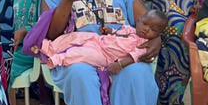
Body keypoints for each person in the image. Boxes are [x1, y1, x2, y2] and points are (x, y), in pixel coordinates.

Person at [8, 0, 54, 105]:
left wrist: (26, 31)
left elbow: (45, 20)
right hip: (2, 44)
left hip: (27, 47)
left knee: (0, 66)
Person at [38, 11, 167, 69]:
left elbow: (132, 57)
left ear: (158, 35)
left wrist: (120, 65)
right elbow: (118, 33)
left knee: (81, 54)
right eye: (145, 23)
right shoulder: (130, 30)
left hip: (105, 57)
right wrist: (110, 31)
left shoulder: (144, 45)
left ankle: (57, 59)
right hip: (98, 40)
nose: (146, 29)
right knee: (76, 36)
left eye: (153, 29)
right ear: (139, 20)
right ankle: (50, 47)